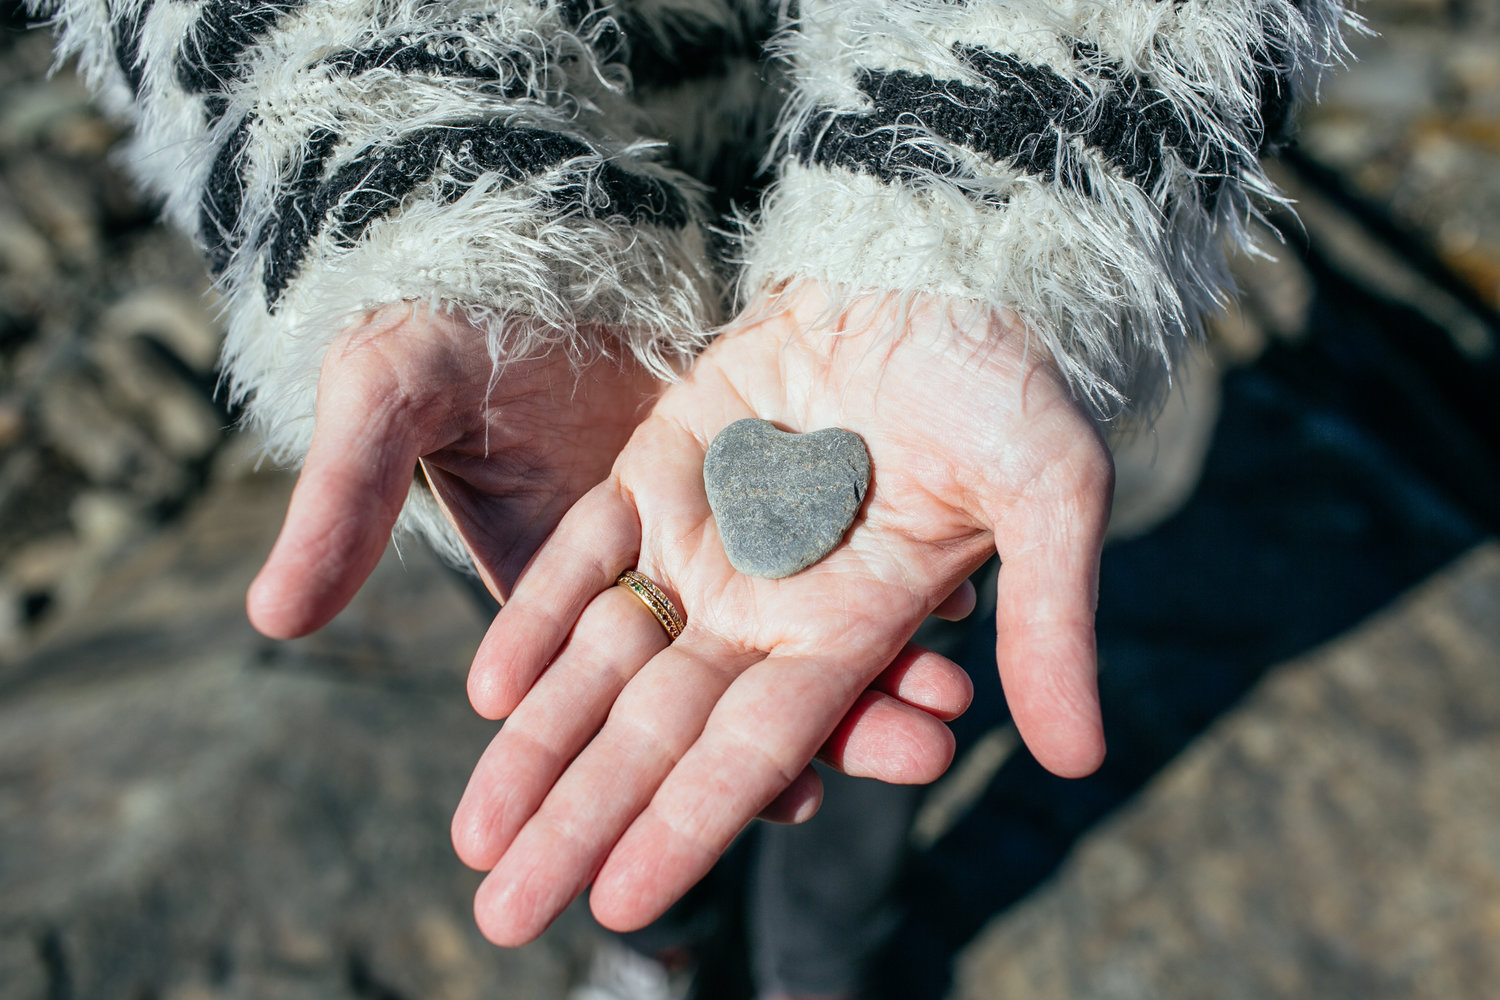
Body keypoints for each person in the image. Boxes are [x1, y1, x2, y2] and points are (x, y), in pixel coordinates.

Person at [29, 0, 1352, 996]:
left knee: (861, 688)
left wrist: (986, 224)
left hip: (897, 267)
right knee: (590, 655)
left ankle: (818, 964)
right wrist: (425, 191)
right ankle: (662, 946)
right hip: (540, 362)